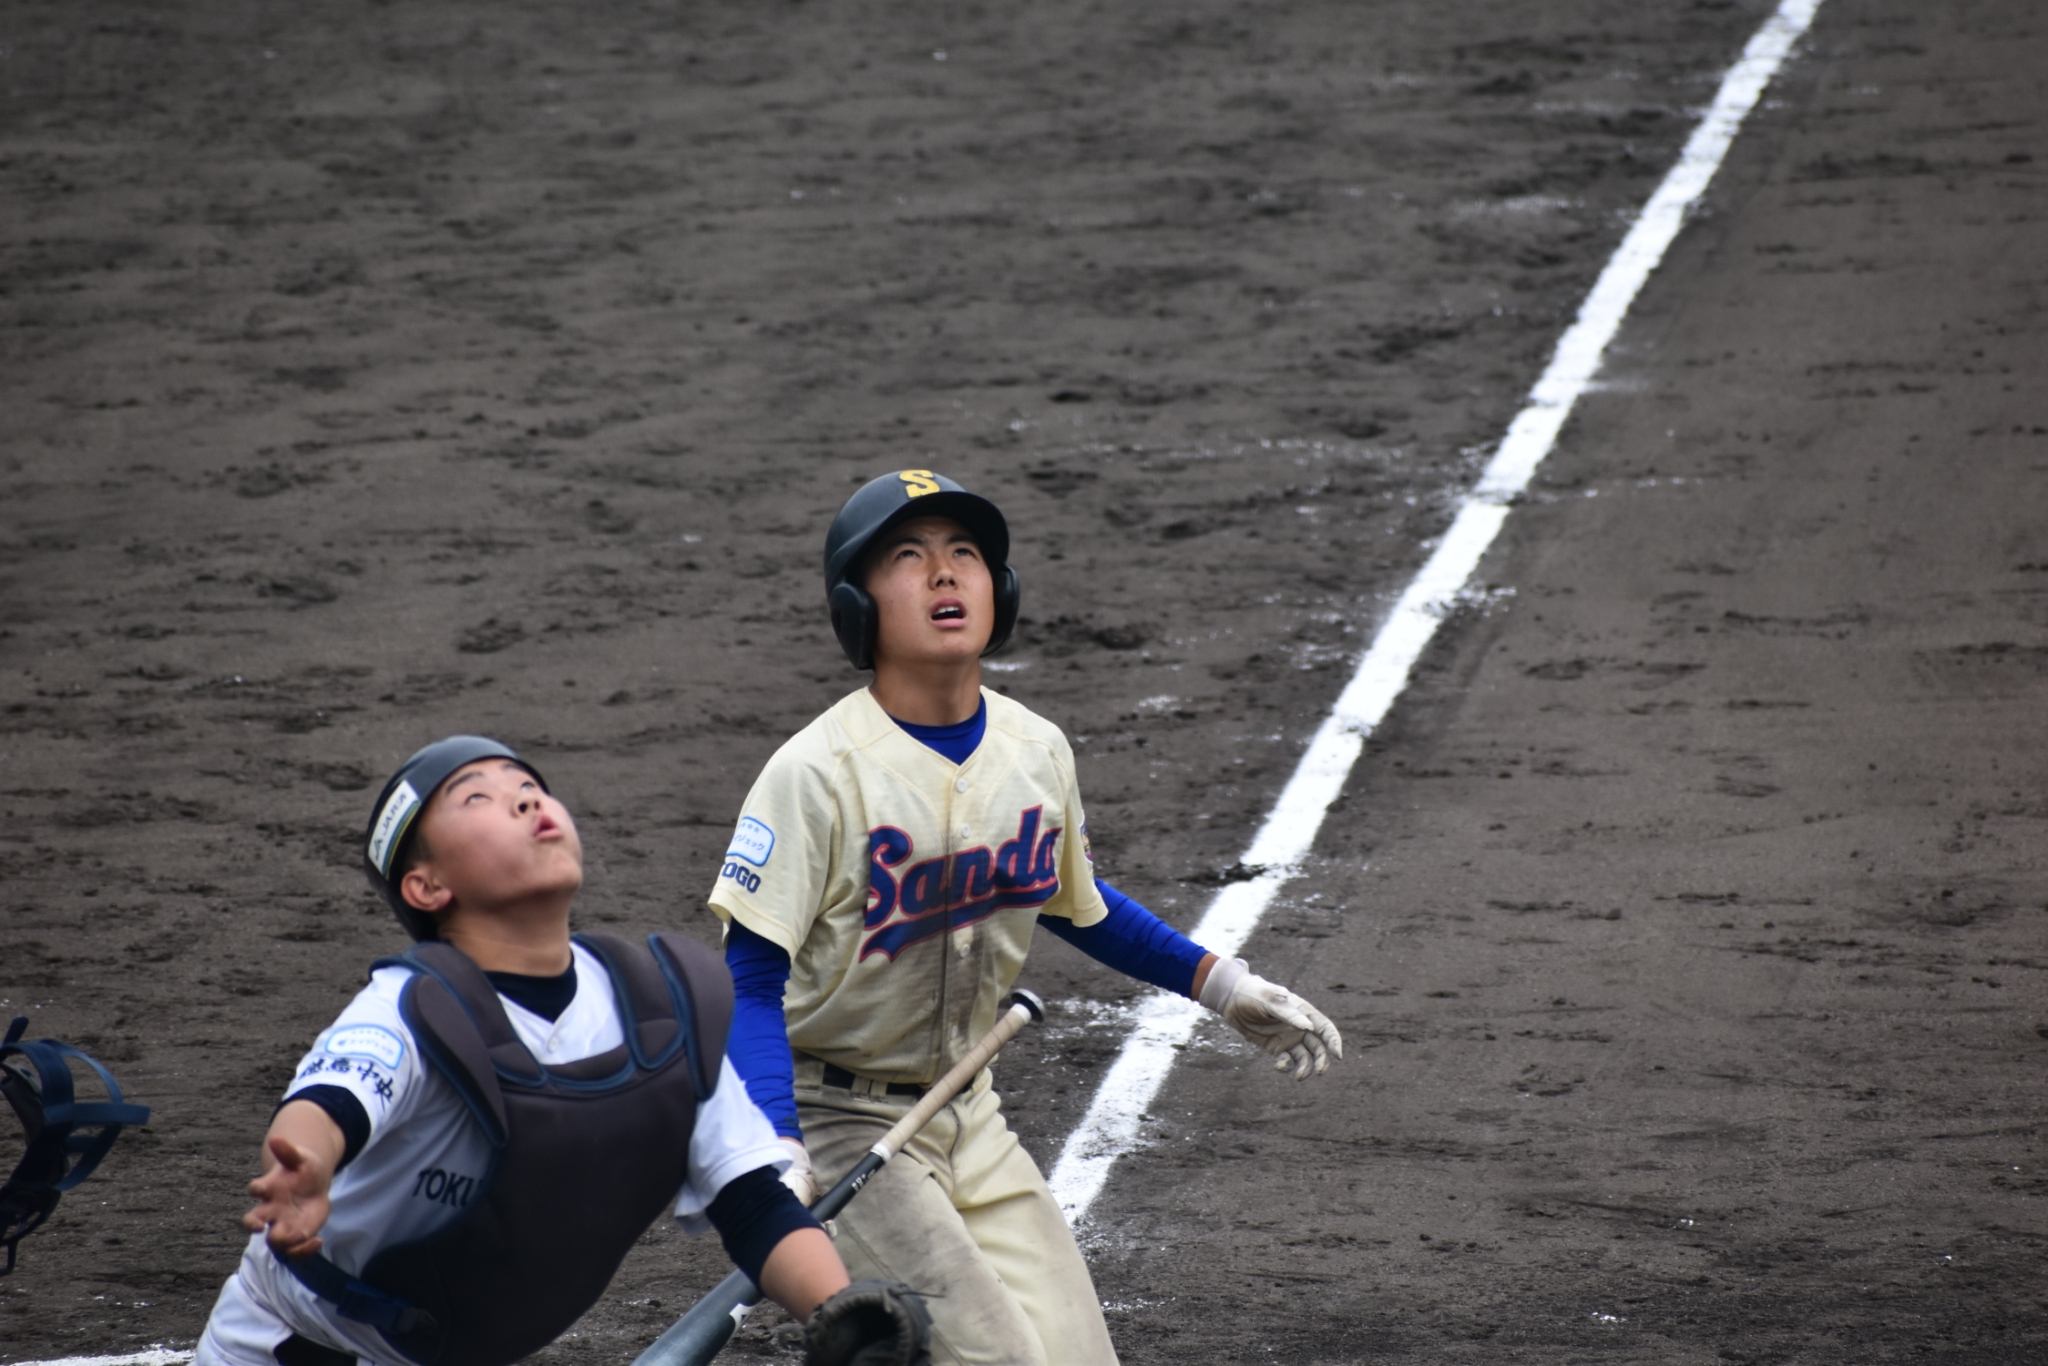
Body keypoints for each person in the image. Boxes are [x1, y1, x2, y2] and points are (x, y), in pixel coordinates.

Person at [709, 470, 1344, 1365]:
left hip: (970, 1113)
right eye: (909, 556)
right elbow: (749, 978)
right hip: (837, 1124)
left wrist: (1219, 983)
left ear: (998, 591)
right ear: (857, 606)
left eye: (965, 554)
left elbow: (1076, 903)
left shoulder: (1034, 749)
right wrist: (777, 1144)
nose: (945, 574)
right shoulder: (815, 774)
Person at [196, 736, 920, 1366]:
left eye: (529, 786)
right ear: (426, 885)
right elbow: (330, 1104)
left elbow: (755, 1205)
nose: (523, 799)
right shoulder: (414, 1008)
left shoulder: (657, 1012)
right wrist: (305, 1167)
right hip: (288, 1346)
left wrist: (841, 1311)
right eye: (476, 797)